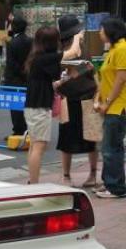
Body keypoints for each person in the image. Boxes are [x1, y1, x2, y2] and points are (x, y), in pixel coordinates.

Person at [24, 25, 82, 184]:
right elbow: (74, 52)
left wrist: (70, 77)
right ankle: (34, 185)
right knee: (39, 147)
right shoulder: (45, 58)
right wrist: (77, 37)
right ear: (51, 42)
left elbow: (51, 84)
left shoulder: (38, 57)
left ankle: (32, 182)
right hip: (39, 107)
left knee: (35, 146)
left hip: (33, 106)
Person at [56, 14, 98, 188]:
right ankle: (66, 176)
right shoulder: (62, 51)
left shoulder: (82, 46)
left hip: (86, 96)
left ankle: (93, 174)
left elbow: (86, 68)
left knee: (91, 138)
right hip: (69, 99)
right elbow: (66, 63)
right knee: (67, 140)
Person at [94, 17, 126, 198]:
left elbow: (121, 79)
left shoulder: (122, 48)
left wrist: (107, 102)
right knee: (110, 148)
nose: (99, 32)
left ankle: (116, 188)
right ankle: (109, 183)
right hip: (111, 106)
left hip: (118, 106)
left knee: (111, 149)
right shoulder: (113, 48)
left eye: (102, 29)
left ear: (111, 30)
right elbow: (108, 78)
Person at [4, 15, 32, 137]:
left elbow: (11, 64)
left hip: (14, 79)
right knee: (26, 105)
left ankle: (18, 131)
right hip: (27, 78)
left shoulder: (11, 43)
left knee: (15, 106)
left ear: (14, 27)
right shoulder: (30, 41)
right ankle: (27, 129)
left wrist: (20, 73)